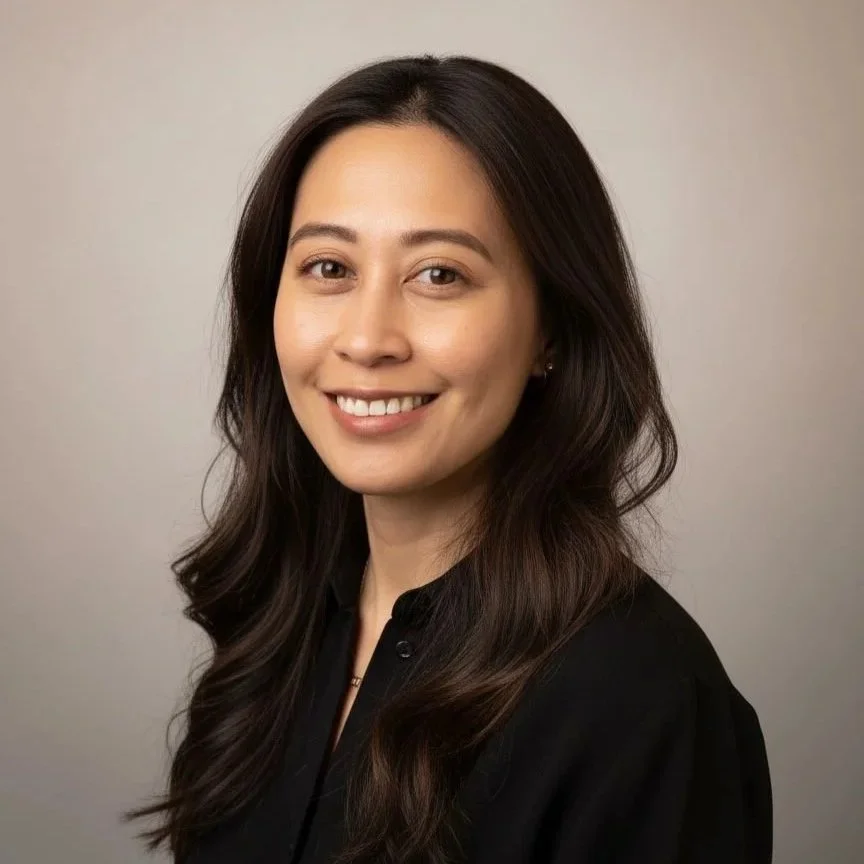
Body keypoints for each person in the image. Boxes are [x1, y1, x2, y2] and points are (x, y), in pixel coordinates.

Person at [124, 54, 773, 863]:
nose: (368, 340)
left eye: (440, 274)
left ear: (551, 328)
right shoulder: (275, 640)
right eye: (329, 268)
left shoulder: (646, 701)